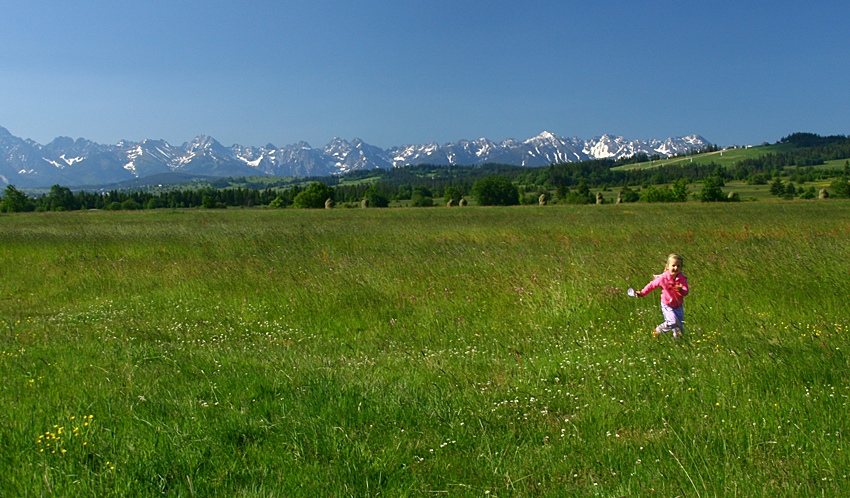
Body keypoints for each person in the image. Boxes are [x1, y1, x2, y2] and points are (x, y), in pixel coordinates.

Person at [635, 253, 689, 338]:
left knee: (679, 327)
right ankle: (658, 330)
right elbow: (651, 285)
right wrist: (642, 293)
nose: (676, 268)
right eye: (673, 265)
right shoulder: (663, 278)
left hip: (678, 305)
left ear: (681, 267)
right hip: (667, 305)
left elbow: (686, 292)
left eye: (678, 266)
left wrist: (681, 290)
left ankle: (678, 343)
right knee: (673, 322)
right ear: (668, 267)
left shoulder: (682, 279)